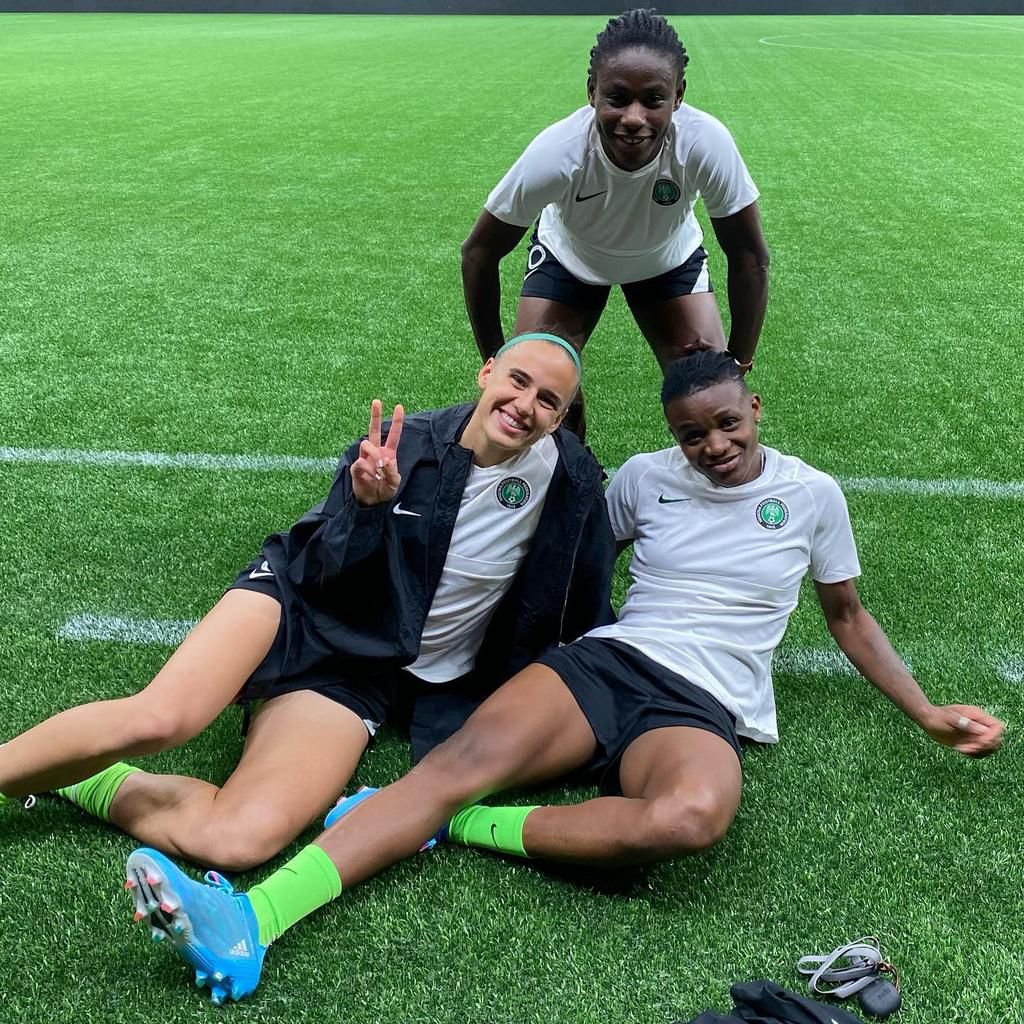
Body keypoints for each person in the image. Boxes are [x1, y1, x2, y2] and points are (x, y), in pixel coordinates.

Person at [125, 350, 1003, 1005]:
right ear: (672, 435)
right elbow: (560, 550)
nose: (714, 445)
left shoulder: (814, 497)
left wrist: (926, 711)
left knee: (691, 817)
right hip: (603, 663)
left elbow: (848, 617)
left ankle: (460, 824)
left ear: (755, 407)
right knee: (453, 765)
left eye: (728, 424)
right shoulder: (645, 480)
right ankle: (253, 919)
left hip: (704, 703)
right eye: (692, 434)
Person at [0, 334, 614, 877]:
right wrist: (367, 507)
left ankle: (87, 778)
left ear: (560, 418)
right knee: (162, 720)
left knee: (235, 840)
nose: (525, 404)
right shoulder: (401, 447)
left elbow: (582, 601)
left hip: (363, 669)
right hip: (293, 602)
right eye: (517, 380)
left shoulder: (571, 479)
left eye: (548, 400)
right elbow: (321, 569)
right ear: (487, 372)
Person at [461, 8, 770, 433]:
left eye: (654, 100)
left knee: (711, 395)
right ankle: (570, 469)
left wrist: (737, 361)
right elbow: (478, 253)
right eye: (618, 98)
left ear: (678, 95)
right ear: (593, 92)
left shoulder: (704, 142)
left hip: (667, 260)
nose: (634, 118)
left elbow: (750, 257)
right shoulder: (559, 153)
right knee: (539, 392)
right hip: (571, 260)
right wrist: (497, 358)